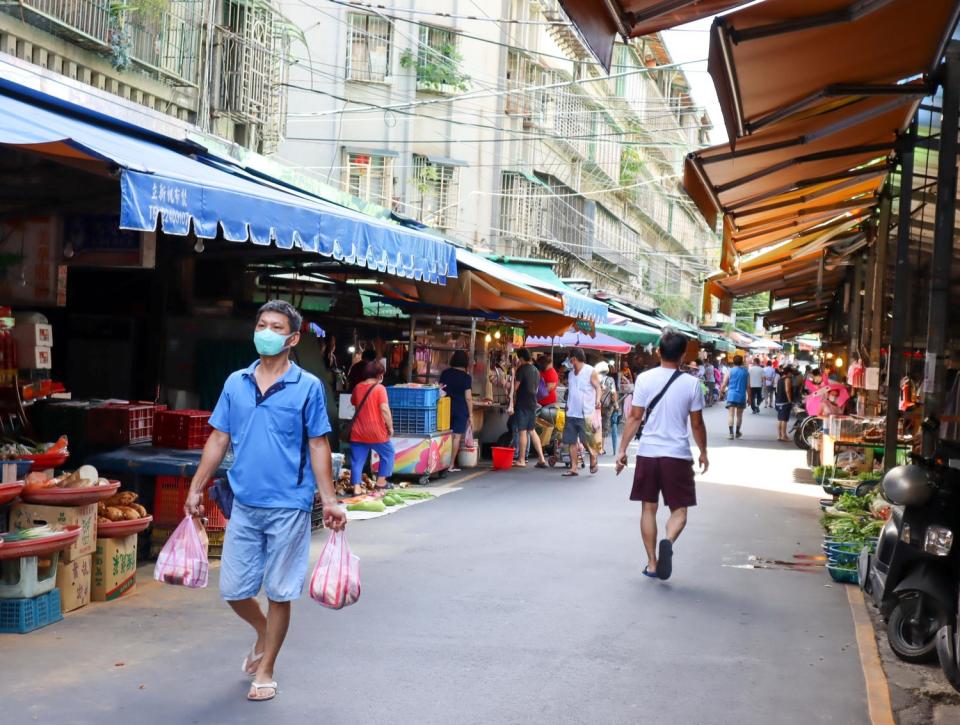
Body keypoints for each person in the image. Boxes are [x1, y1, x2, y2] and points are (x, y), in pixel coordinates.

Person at [185, 300, 346, 703]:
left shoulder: (308, 386)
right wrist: (195, 487)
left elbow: (318, 444)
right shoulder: (235, 382)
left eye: (276, 327)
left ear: (292, 338)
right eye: (261, 324)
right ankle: (262, 631)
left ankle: (267, 667)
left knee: (279, 590)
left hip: (289, 504)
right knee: (235, 589)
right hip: (244, 501)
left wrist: (329, 499)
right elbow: (218, 438)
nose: (266, 332)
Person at [615, 327, 708, 581]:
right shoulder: (692, 384)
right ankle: (668, 540)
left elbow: (635, 417)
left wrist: (622, 450)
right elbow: (697, 424)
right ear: (682, 355)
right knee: (680, 511)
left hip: (648, 453)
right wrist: (703, 452)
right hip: (677, 455)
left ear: (658, 352)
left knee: (648, 509)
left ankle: (653, 563)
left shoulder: (644, 379)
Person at [349, 361, 395, 489]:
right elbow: (384, 409)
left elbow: (353, 402)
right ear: (380, 375)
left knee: (357, 460)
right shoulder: (380, 389)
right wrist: (390, 427)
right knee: (388, 453)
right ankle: (381, 483)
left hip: (358, 431)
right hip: (376, 431)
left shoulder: (357, 387)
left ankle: (357, 488)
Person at [561, 347, 601, 476]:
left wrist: (598, 400)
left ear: (574, 359)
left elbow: (598, 387)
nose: (569, 362)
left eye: (570, 359)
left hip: (585, 412)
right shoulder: (571, 374)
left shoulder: (590, 371)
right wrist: (567, 405)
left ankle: (593, 456)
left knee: (585, 440)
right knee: (571, 441)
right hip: (572, 411)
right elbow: (572, 392)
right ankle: (573, 468)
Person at [511, 348, 548, 467]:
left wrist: (509, 379)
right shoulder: (536, 370)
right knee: (531, 431)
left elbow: (515, 387)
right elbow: (536, 389)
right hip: (533, 403)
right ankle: (541, 458)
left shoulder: (522, 369)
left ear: (521, 358)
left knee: (522, 431)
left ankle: (521, 460)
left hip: (522, 403)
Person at [439, 350, 473, 472]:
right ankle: (451, 464)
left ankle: (441, 462)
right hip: (460, 409)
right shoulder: (466, 377)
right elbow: (468, 397)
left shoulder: (445, 373)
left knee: (445, 436)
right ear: (465, 362)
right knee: (456, 437)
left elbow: (440, 390)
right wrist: (471, 414)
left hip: (445, 407)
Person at [721, 354, 749, 439]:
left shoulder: (730, 371)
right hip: (741, 396)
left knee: (731, 414)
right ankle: (737, 432)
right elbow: (748, 386)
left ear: (733, 362)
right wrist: (750, 398)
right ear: (742, 362)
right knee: (739, 415)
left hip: (732, 395)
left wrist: (721, 392)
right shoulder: (745, 372)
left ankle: (730, 434)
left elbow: (724, 383)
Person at [596, 361, 619, 455]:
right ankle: (600, 448)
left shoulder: (595, 378)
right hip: (607, 406)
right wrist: (616, 405)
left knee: (596, 425)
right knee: (604, 426)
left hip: (596, 405)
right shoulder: (610, 380)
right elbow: (613, 393)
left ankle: (594, 446)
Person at [774, 365, 795, 441]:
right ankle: (784, 436)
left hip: (778, 401)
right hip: (785, 401)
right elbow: (787, 390)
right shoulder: (787, 379)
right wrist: (790, 400)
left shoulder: (780, 379)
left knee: (779, 419)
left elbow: (776, 390)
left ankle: (779, 435)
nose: (791, 375)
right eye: (791, 373)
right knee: (784, 420)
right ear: (789, 373)